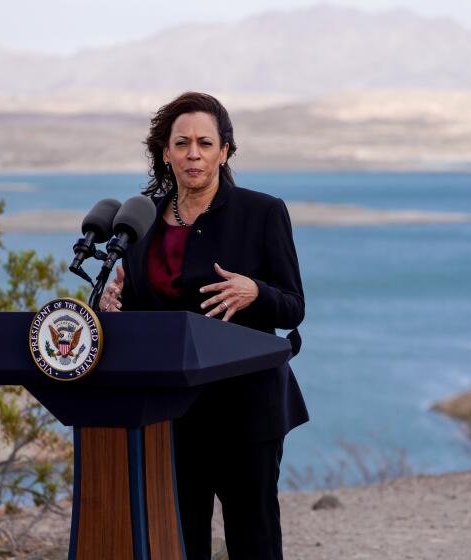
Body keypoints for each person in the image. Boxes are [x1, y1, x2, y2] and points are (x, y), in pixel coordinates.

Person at [99, 91, 308, 560]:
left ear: (224, 151)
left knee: (253, 540)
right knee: (178, 539)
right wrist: (116, 304)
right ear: (165, 153)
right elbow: (144, 308)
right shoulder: (141, 219)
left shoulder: (262, 212)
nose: (193, 154)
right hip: (172, 410)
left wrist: (256, 292)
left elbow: (293, 307)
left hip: (246, 408)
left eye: (205, 143)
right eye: (182, 143)